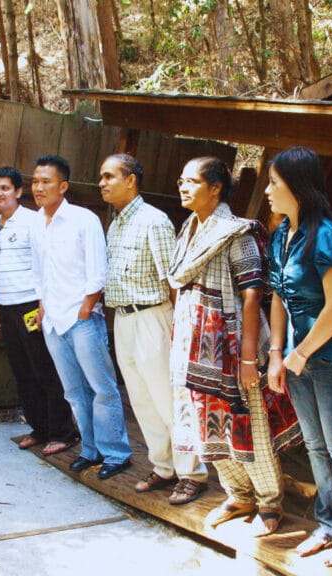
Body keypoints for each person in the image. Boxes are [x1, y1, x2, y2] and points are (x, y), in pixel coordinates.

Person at [167, 156, 301, 536]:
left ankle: (269, 503)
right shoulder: (190, 230)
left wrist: (247, 359)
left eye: (192, 181)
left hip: (229, 353)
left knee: (249, 428)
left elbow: (253, 296)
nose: (183, 186)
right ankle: (238, 495)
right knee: (206, 430)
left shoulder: (236, 233)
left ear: (216, 188)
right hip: (193, 354)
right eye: (181, 180)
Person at [265, 146, 332, 566]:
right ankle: (328, 525)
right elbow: (277, 297)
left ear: (297, 185)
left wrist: (302, 352)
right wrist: (278, 354)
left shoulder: (326, 234)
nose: (270, 191)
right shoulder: (281, 234)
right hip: (295, 360)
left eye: (275, 183)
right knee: (314, 445)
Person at [100, 153, 209, 505]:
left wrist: (179, 330)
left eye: (108, 176)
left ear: (130, 179)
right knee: (142, 400)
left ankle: (192, 474)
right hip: (124, 320)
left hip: (153, 319)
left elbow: (174, 280)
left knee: (169, 400)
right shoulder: (116, 223)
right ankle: (164, 467)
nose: (102, 183)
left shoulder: (154, 221)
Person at [29, 154, 133, 481]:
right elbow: (38, 271)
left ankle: (116, 453)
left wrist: (86, 308)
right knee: (74, 392)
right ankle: (90, 450)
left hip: (82, 319)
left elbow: (98, 271)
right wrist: (43, 306)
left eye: (46, 182)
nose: (38, 187)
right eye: (35, 181)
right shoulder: (35, 222)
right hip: (53, 321)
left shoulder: (83, 219)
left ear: (63, 186)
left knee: (102, 388)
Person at [0, 166, 78, 455]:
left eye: (5, 188)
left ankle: (64, 432)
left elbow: (44, 266)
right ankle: (40, 429)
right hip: (6, 308)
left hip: (30, 306)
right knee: (23, 373)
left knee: (45, 370)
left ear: (18, 192)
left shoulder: (32, 221)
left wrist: (42, 308)